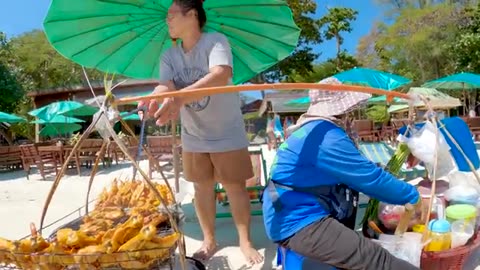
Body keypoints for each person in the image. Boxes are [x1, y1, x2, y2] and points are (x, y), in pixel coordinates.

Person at [138, 0, 263, 264]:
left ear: (192, 14)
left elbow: (220, 74)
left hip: (226, 130)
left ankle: (245, 241)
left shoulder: (215, 41)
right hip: (194, 135)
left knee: (234, 187)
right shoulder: (169, 55)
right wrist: (152, 98)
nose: (167, 20)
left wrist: (180, 98)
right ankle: (209, 240)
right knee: (201, 188)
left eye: (172, 15)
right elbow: (165, 86)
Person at [262, 77, 422, 269]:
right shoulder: (325, 136)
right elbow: (371, 180)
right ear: (339, 110)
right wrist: (412, 195)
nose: (350, 116)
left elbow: (355, 169)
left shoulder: (312, 129)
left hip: (289, 212)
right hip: (298, 221)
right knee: (379, 260)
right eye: (348, 112)